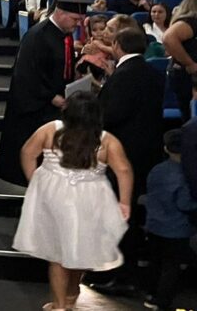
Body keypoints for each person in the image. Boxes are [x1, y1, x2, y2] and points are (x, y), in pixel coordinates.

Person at [12, 91, 132, 311]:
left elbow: (27, 152)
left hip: (54, 195)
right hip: (91, 198)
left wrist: (34, 181)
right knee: (80, 247)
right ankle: (72, 293)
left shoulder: (49, 130)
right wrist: (124, 202)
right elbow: (123, 170)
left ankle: (59, 305)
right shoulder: (106, 140)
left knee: (57, 254)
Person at [92, 27, 163, 292]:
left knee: (120, 214)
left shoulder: (125, 75)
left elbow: (113, 114)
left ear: (118, 46)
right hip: (145, 153)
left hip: (124, 154)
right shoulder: (151, 72)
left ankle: (121, 275)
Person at [0, 0, 92, 185]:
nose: (77, 24)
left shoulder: (62, 35)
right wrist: (51, 96)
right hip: (36, 107)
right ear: (60, 12)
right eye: (74, 19)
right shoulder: (37, 36)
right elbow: (26, 74)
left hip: (57, 103)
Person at [142, 129, 197, 310]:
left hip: (154, 224)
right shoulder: (185, 175)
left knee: (155, 262)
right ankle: (162, 301)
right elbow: (185, 204)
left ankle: (150, 294)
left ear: (166, 148)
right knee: (171, 267)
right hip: (176, 229)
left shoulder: (157, 169)